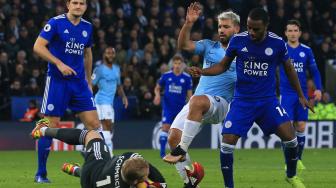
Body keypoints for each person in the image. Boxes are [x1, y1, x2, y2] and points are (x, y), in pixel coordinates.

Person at [188, 8, 312, 188]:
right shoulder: (238, 40)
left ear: (266, 27)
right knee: (227, 142)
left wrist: (301, 95)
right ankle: (229, 186)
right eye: (249, 28)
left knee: (291, 139)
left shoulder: (277, 43)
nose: (251, 32)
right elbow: (223, 65)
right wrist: (203, 71)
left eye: (256, 29)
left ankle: (291, 175)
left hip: (267, 101)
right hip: (242, 101)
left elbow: (290, 69)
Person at [162, 3, 239, 188]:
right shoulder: (209, 46)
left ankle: (182, 149)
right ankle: (190, 181)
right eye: (220, 26)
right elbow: (183, 45)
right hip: (198, 104)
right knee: (172, 137)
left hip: (220, 104)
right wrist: (188, 23)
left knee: (196, 101)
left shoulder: (242, 54)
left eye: (226, 26)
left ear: (236, 28)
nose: (222, 30)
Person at [32, 0, 101, 183]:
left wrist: (88, 80)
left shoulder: (88, 27)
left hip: (79, 84)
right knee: (49, 126)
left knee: (94, 125)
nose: (79, 6)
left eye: (82, 3)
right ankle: (41, 173)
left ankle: (97, 167)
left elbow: (88, 54)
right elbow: (38, 46)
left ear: (85, 7)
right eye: (75, 3)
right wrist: (59, 64)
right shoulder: (55, 23)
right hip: (57, 82)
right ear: (68, 5)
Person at [31, 118, 167, 188]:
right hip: (90, 182)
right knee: (92, 178)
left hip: (95, 166)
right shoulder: (135, 172)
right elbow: (160, 180)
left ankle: (43, 130)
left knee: (91, 135)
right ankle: (76, 170)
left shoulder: (128, 156)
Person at [280, 19, 322, 171]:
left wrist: (318, 88)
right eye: (289, 30)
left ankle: (298, 159)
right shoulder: (281, 49)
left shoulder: (307, 50)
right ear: (285, 33)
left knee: (301, 126)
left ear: (300, 33)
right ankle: (287, 161)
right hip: (286, 93)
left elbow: (315, 71)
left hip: (302, 94)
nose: (292, 33)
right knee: (287, 128)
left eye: (295, 30)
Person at [153, 55, 193, 158]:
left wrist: (190, 107)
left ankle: (179, 153)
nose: (177, 65)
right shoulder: (166, 76)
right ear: (172, 64)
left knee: (178, 131)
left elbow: (189, 95)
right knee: (165, 127)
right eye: (175, 63)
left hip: (180, 109)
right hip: (168, 107)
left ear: (183, 65)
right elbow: (157, 88)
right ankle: (162, 153)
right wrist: (157, 96)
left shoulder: (187, 78)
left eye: (179, 63)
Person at [92, 46, 128, 156]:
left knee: (108, 129)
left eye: (112, 53)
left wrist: (124, 97)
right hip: (101, 102)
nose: (110, 55)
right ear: (104, 55)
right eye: (108, 53)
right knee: (106, 127)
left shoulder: (117, 69)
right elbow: (91, 85)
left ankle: (95, 150)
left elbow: (119, 85)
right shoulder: (99, 70)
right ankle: (110, 155)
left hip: (109, 103)